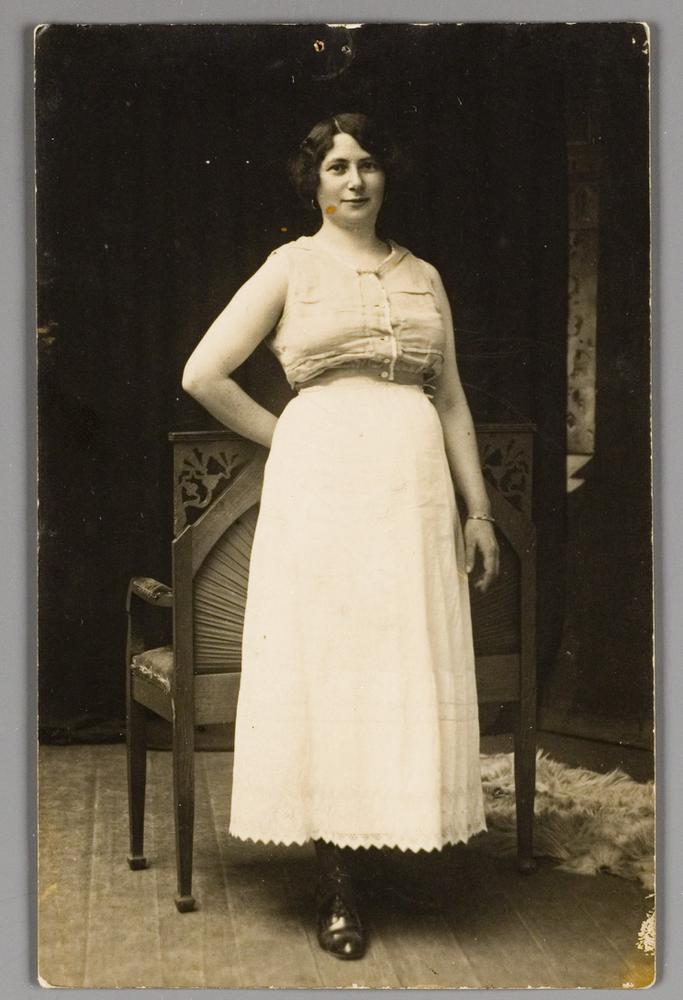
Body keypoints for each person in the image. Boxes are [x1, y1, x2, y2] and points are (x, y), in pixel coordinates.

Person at [182, 112, 499, 961]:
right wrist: (290, 437)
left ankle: (387, 845)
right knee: (331, 666)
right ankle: (336, 882)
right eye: (335, 167)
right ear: (313, 181)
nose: (354, 180)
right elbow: (203, 373)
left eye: (366, 165)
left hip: (412, 494)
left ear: (386, 175)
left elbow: (451, 399)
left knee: (398, 662)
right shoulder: (291, 266)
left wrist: (477, 511)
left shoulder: (423, 277)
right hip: (323, 493)